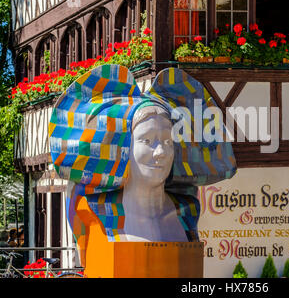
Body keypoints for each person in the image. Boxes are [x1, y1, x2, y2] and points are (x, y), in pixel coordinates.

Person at [49, 65, 236, 273]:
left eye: (167, 141)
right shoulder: (94, 211)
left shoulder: (187, 211)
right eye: (147, 140)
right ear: (124, 147)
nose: (160, 152)